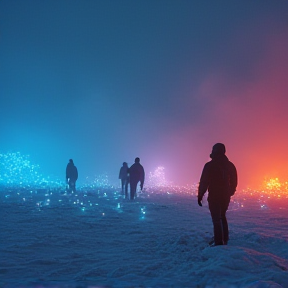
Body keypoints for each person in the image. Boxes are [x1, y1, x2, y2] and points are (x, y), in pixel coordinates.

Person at [198, 143, 237, 246]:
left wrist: (200, 195)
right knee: (222, 216)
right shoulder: (230, 165)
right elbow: (234, 181)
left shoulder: (209, 165)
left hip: (214, 195)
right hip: (225, 196)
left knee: (216, 218)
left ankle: (219, 242)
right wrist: (230, 191)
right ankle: (224, 238)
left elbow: (204, 181)